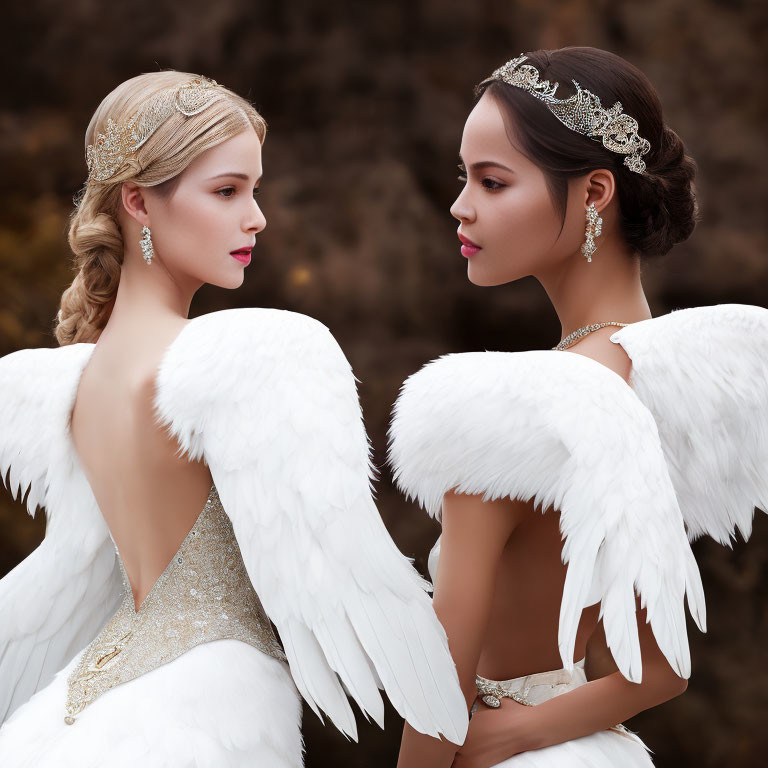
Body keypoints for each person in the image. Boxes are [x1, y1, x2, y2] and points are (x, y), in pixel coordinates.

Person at [0, 70, 467, 767]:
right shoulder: (230, 359)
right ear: (138, 203)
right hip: (207, 705)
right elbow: (342, 567)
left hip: (98, 698)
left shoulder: (78, 380)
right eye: (226, 192)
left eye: (253, 190)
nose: (257, 218)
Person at [388, 46, 767, 767]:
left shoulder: (508, 405)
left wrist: (498, 734)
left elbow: (440, 679)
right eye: (463, 177)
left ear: (595, 193)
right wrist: (535, 729)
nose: (460, 205)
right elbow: (657, 671)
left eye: (493, 182)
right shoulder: (669, 378)